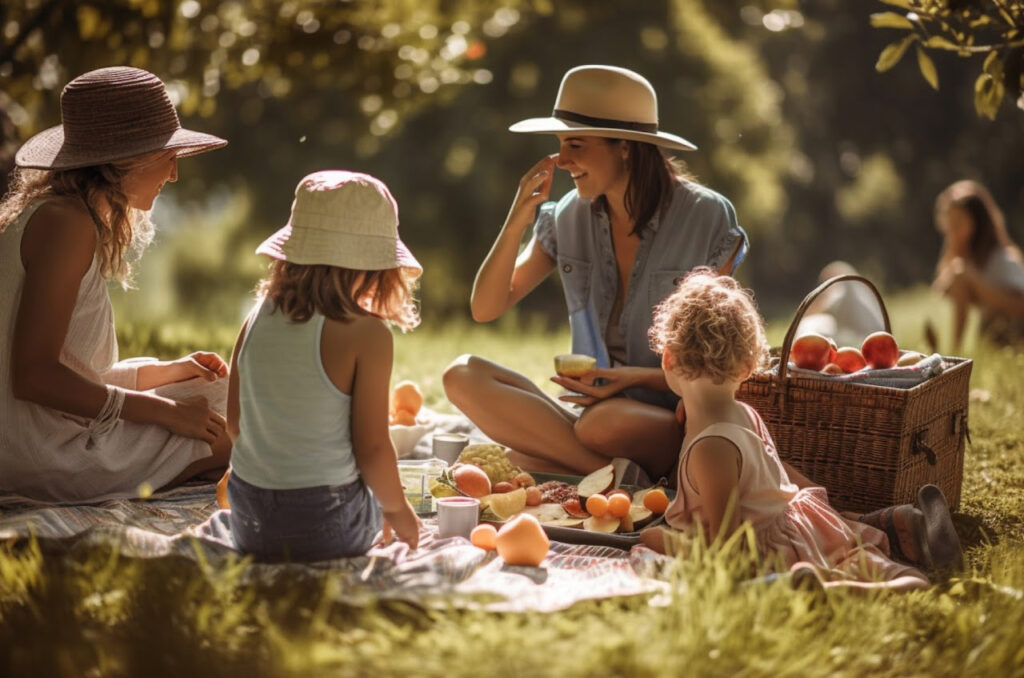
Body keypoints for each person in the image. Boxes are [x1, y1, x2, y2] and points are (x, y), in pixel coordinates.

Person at [444, 65, 748, 479]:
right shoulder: (568, 216)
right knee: (462, 375)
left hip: (674, 418)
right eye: (560, 145)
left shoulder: (706, 216)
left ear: (625, 147)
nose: (562, 160)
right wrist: (516, 221)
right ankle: (613, 476)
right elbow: (485, 307)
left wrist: (629, 379)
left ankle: (574, 464)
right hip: (595, 416)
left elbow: (721, 365)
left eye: (575, 144)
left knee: (586, 431)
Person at [0, 67, 230, 503]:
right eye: (167, 155)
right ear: (125, 158)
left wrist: (166, 372)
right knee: (245, 434)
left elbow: (73, 373)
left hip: (46, 429)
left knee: (225, 390)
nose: (174, 174)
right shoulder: (65, 225)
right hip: (42, 451)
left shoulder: (61, 215)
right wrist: (167, 413)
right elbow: (33, 377)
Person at [640, 268, 931, 591]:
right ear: (748, 366)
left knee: (652, 545)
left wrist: (660, 540)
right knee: (895, 575)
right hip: (803, 529)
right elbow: (771, 477)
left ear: (667, 359)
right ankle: (894, 573)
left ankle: (829, 589)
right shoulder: (744, 414)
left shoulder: (710, 448)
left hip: (770, 553)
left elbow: (729, 549)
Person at [219, 171, 421, 562]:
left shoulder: (256, 316)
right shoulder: (368, 334)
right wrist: (398, 510)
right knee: (375, 495)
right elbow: (373, 448)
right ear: (376, 266)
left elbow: (235, 422)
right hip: (326, 523)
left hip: (249, 522)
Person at [932, 179, 1024, 352]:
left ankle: (955, 352)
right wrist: (953, 250)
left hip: (1017, 332)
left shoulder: (1001, 257)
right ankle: (955, 353)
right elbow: (942, 289)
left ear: (977, 222)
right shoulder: (969, 259)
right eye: (949, 225)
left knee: (961, 274)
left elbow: (1021, 306)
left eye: (957, 223)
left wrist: (974, 283)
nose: (952, 231)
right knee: (960, 275)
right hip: (995, 336)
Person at [795, 260, 886, 349]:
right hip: (877, 335)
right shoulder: (861, 291)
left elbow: (823, 306)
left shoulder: (844, 292)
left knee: (812, 328)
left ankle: (801, 348)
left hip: (865, 339)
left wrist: (802, 318)